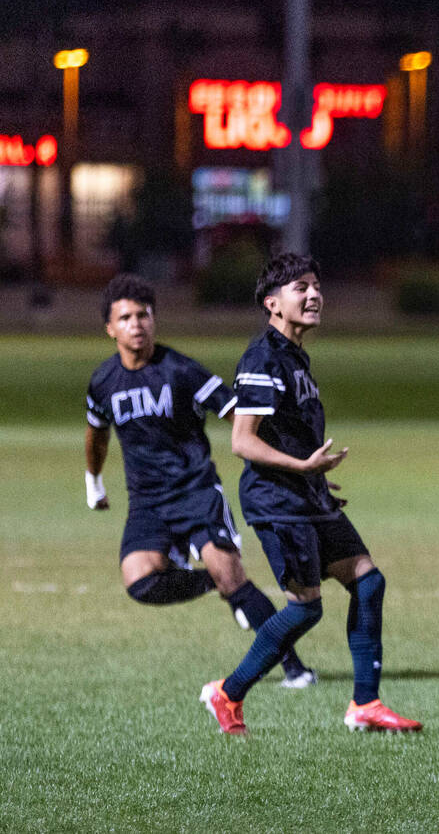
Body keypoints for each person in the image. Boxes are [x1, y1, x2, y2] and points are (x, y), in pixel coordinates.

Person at [200, 253, 421, 735]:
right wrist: (301, 468)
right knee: (306, 608)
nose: (314, 294)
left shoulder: (295, 356)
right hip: (278, 503)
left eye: (317, 285)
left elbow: (287, 433)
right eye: (301, 287)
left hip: (307, 494)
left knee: (369, 581)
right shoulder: (262, 358)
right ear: (272, 304)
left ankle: (365, 704)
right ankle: (228, 693)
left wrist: (314, 476)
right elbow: (243, 440)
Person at [85, 273, 315, 688]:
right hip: (147, 502)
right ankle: (214, 581)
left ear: (154, 320)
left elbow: (239, 417)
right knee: (140, 582)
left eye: (143, 315)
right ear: (110, 328)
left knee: (234, 578)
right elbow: (96, 433)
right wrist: (93, 481)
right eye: (125, 318)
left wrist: (290, 462)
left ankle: (296, 670)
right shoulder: (103, 382)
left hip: (196, 494)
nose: (136, 324)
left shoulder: (182, 371)